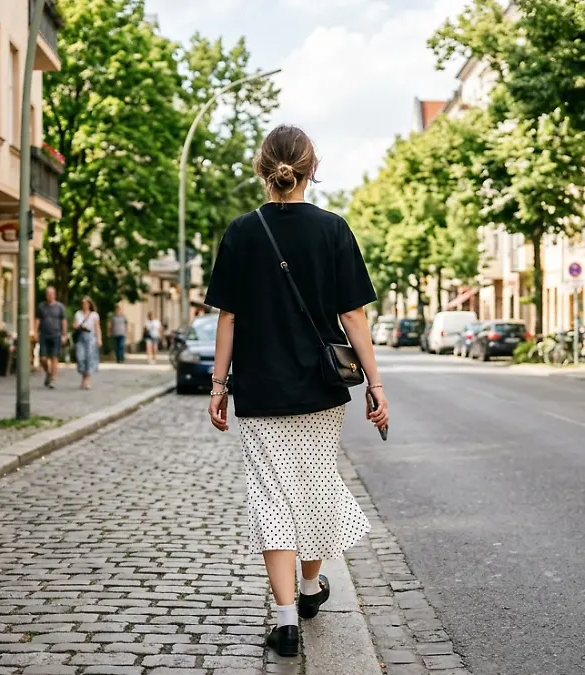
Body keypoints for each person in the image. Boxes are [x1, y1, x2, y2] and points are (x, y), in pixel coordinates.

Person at [203, 124, 388, 658]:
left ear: (264, 169)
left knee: (271, 497)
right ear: (312, 168)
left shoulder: (241, 231)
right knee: (313, 486)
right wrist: (375, 385)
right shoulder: (333, 230)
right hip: (320, 389)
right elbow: (353, 315)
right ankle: (310, 589)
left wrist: (219, 386)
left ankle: (286, 619)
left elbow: (229, 318)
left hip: (259, 389)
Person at [33, 286, 66, 389]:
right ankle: (48, 372)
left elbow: (63, 321)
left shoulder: (60, 307)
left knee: (54, 357)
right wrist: (35, 332)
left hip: (56, 335)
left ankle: (52, 379)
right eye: (48, 294)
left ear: (54, 295)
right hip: (44, 335)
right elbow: (37, 320)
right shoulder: (41, 306)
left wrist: (64, 335)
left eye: (51, 294)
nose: (50, 296)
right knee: (43, 358)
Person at [72, 296, 102, 390]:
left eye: (86, 303)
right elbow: (75, 324)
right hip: (81, 336)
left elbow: (97, 327)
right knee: (81, 358)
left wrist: (99, 339)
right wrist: (76, 326)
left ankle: (87, 380)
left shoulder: (94, 315)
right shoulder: (78, 314)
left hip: (91, 337)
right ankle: (83, 377)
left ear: (89, 304)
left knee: (89, 358)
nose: (84, 305)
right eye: (83, 304)